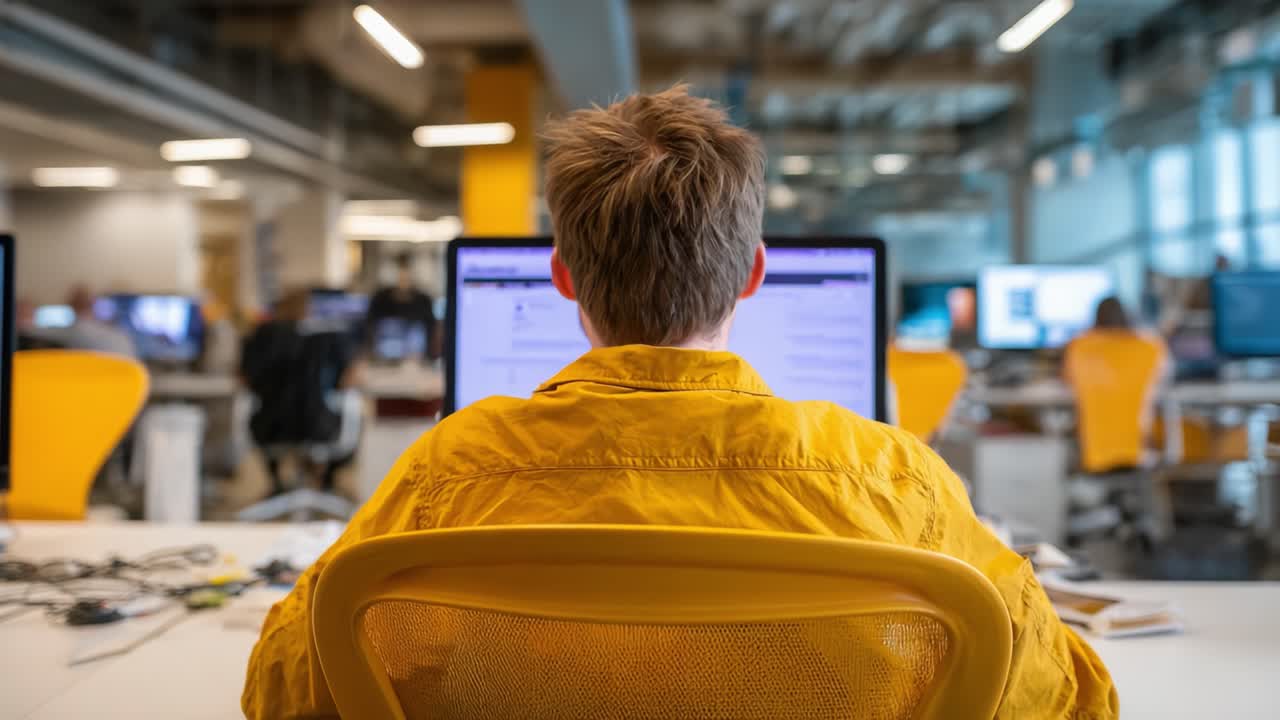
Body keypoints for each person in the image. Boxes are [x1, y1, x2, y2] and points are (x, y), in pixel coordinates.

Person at [243, 87, 1117, 719]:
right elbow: (1069, 701)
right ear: (754, 274)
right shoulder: (894, 484)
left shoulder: (449, 474)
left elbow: (283, 691)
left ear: (562, 277)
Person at [240, 289, 359, 497]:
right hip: (318, 425)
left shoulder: (262, 335)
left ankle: (277, 482)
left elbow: (244, 379)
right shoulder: (328, 336)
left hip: (270, 427)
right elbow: (347, 381)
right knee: (350, 413)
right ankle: (326, 482)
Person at [1065, 296, 1169, 474]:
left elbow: (1067, 380)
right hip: (1142, 450)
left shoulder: (1079, 347)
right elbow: (1165, 378)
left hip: (1093, 454)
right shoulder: (1150, 348)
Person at [364, 252, 440, 361]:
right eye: (400, 271)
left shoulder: (424, 301)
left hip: (417, 362)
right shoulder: (380, 299)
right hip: (383, 362)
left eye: (406, 272)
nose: (403, 277)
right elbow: (370, 330)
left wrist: (429, 358)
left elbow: (431, 333)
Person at [56, 286, 137, 357]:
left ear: (71, 305)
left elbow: (47, 332)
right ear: (93, 304)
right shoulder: (119, 334)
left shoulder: (78, 328)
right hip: (130, 372)